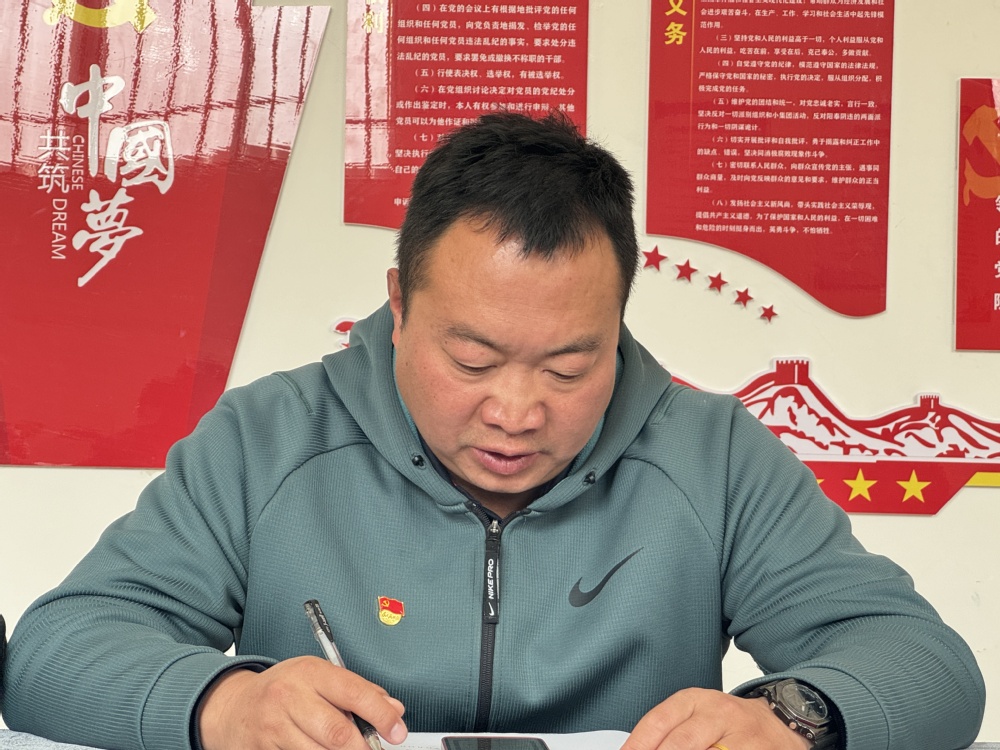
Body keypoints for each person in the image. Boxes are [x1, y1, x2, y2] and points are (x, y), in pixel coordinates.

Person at [1, 112, 985, 750]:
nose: (516, 412)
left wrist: (791, 716)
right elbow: (54, 653)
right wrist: (226, 703)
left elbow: (927, 666)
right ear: (399, 304)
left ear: (618, 326)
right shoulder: (269, 438)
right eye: (471, 360)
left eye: (569, 366)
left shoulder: (714, 455)